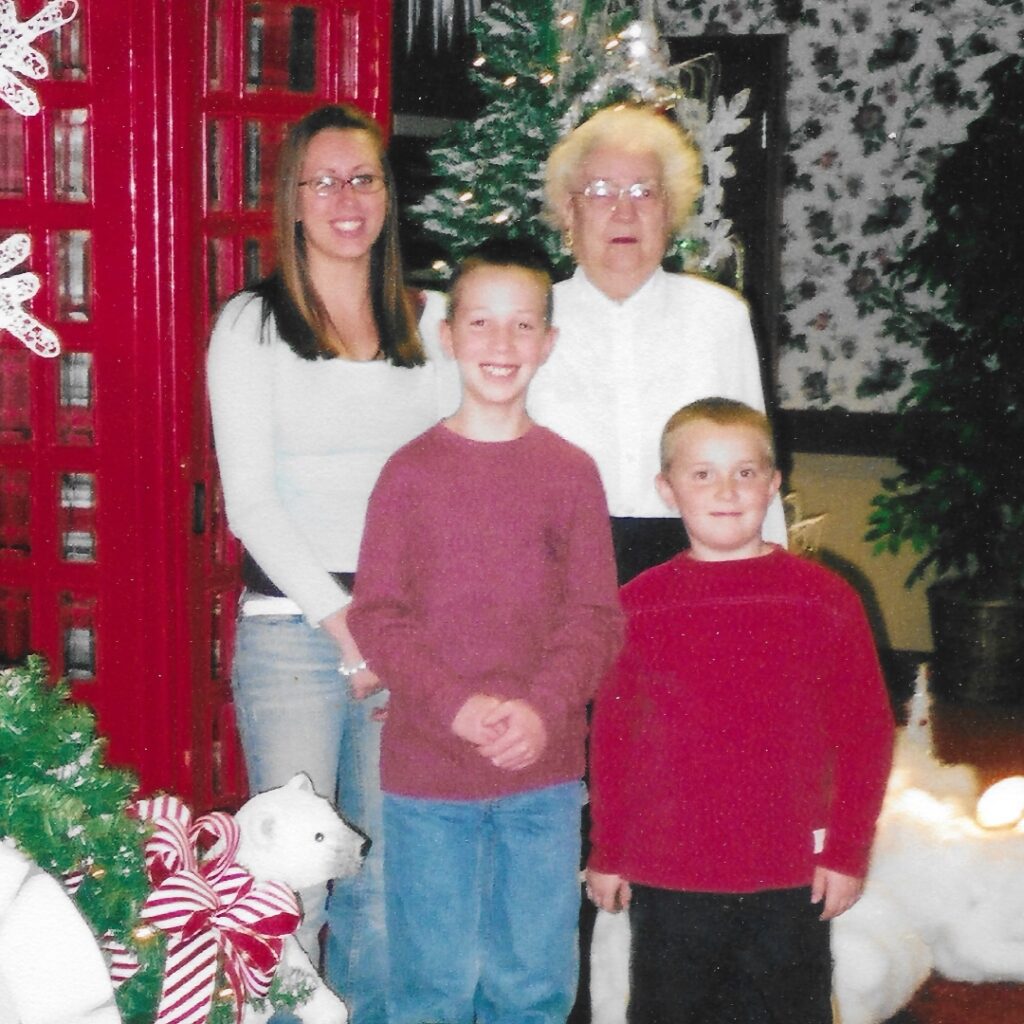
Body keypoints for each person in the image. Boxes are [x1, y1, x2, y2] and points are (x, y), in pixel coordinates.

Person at [206, 103, 456, 1024]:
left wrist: (410, 626)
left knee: (391, 884)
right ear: (294, 202)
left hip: (408, 633)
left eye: (364, 179)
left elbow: (456, 484)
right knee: (294, 883)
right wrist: (349, 628)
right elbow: (252, 504)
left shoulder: (433, 327)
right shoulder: (251, 325)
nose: (346, 199)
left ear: (388, 196)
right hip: (291, 634)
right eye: (324, 181)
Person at [346, 239, 624, 1024]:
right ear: (448, 334)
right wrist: (456, 706)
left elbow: (594, 617)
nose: (502, 346)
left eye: (522, 326)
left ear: (549, 342)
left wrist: (539, 708)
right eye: (481, 323)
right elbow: (378, 614)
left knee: (532, 985)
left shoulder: (571, 472)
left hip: (543, 776)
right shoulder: (408, 473)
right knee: (431, 984)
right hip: (429, 777)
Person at [585, 397, 895, 1024]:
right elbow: (613, 741)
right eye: (702, 473)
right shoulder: (637, 605)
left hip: (788, 873)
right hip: (672, 874)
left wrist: (846, 851)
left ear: (774, 484)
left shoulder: (824, 599)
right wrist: (607, 850)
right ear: (667, 489)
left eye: (745, 472)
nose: (726, 489)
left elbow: (864, 736)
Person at [532, 103, 788, 584]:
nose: (623, 211)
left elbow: (753, 459)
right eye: (601, 191)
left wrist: (769, 579)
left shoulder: (719, 317)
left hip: (693, 562)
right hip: (555, 569)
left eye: (644, 192)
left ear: (670, 210)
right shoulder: (530, 317)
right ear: (569, 209)